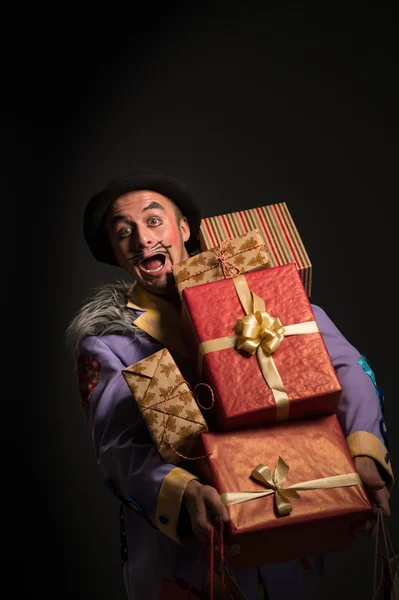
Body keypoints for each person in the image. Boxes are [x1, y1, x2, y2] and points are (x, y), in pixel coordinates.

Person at [66, 168, 393, 600]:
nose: (143, 240)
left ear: (184, 228)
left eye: (153, 220)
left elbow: (347, 365)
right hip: (185, 560)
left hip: (282, 522)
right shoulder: (107, 343)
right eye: (124, 232)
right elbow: (118, 449)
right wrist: (185, 493)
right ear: (115, 250)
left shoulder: (255, 295)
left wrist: (364, 446)